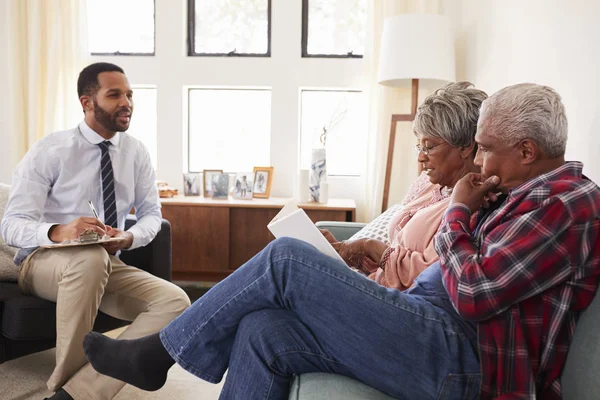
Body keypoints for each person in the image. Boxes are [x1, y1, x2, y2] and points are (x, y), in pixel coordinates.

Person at [83, 83, 600, 400]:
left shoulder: (565, 204)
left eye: (486, 150)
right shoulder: (518, 192)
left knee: (288, 258)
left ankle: (158, 355)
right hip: (426, 325)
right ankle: (161, 354)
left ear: (528, 150)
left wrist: (461, 211)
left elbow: (473, 294)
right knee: (264, 329)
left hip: (465, 363)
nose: (479, 162)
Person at [0, 62, 191, 400]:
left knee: (175, 301)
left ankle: (79, 392)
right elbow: (11, 225)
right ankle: (64, 385)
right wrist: (59, 231)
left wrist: (129, 237)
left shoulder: (136, 152)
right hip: (43, 262)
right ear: (87, 102)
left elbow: (151, 215)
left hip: (106, 262)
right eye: (114, 94)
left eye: (129, 95)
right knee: (87, 260)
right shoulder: (50, 150)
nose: (127, 102)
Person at [325, 82, 486, 290]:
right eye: (419, 146)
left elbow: (428, 277)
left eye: (429, 147)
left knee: (285, 254)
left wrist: (369, 246)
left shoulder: (469, 203)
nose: (420, 158)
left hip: (396, 304)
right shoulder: (430, 186)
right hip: (376, 285)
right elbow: (393, 260)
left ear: (465, 146)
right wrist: (354, 256)